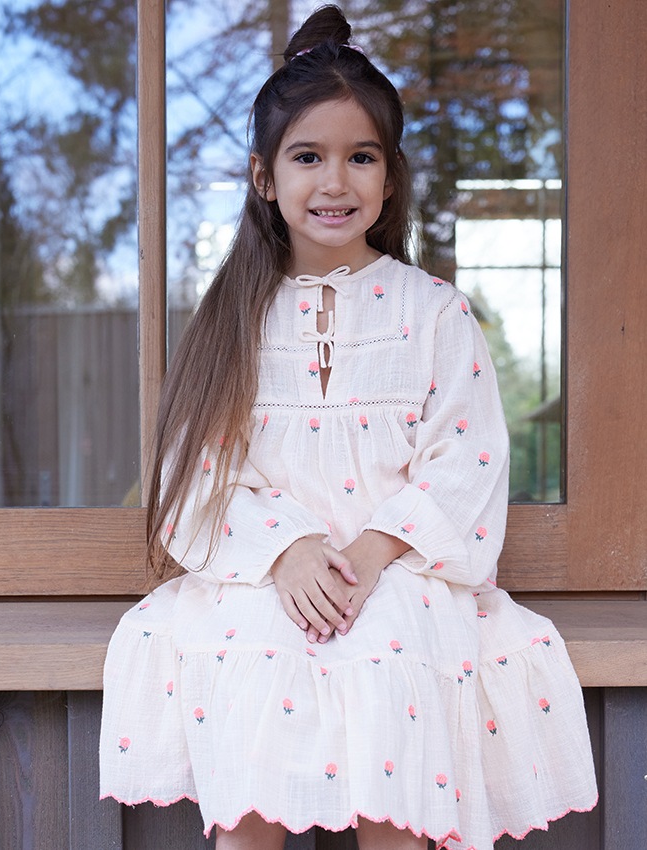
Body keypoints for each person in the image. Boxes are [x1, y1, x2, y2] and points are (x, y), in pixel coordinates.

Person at [100, 7, 597, 848]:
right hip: (264, 577)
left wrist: (369, 553)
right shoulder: (232, 321)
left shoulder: (433, 313)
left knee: (394, 653)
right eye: (308, 157)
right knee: (253, 663)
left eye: (360, 157)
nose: (335, 181)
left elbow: (465, 460)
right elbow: (199, 474)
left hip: (398, 570)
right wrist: (288, 551)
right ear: (264, 178)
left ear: (390, 177)